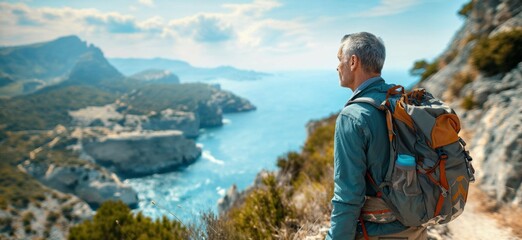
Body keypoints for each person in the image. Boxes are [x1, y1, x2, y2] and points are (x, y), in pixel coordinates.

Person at [326, 32, 427, 239]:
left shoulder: (352, 117)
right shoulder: (402, 100)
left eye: (339, 59)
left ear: (353, 61)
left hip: (380, 233)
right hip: (417, 226)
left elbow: (347, 195)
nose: (337, 67)